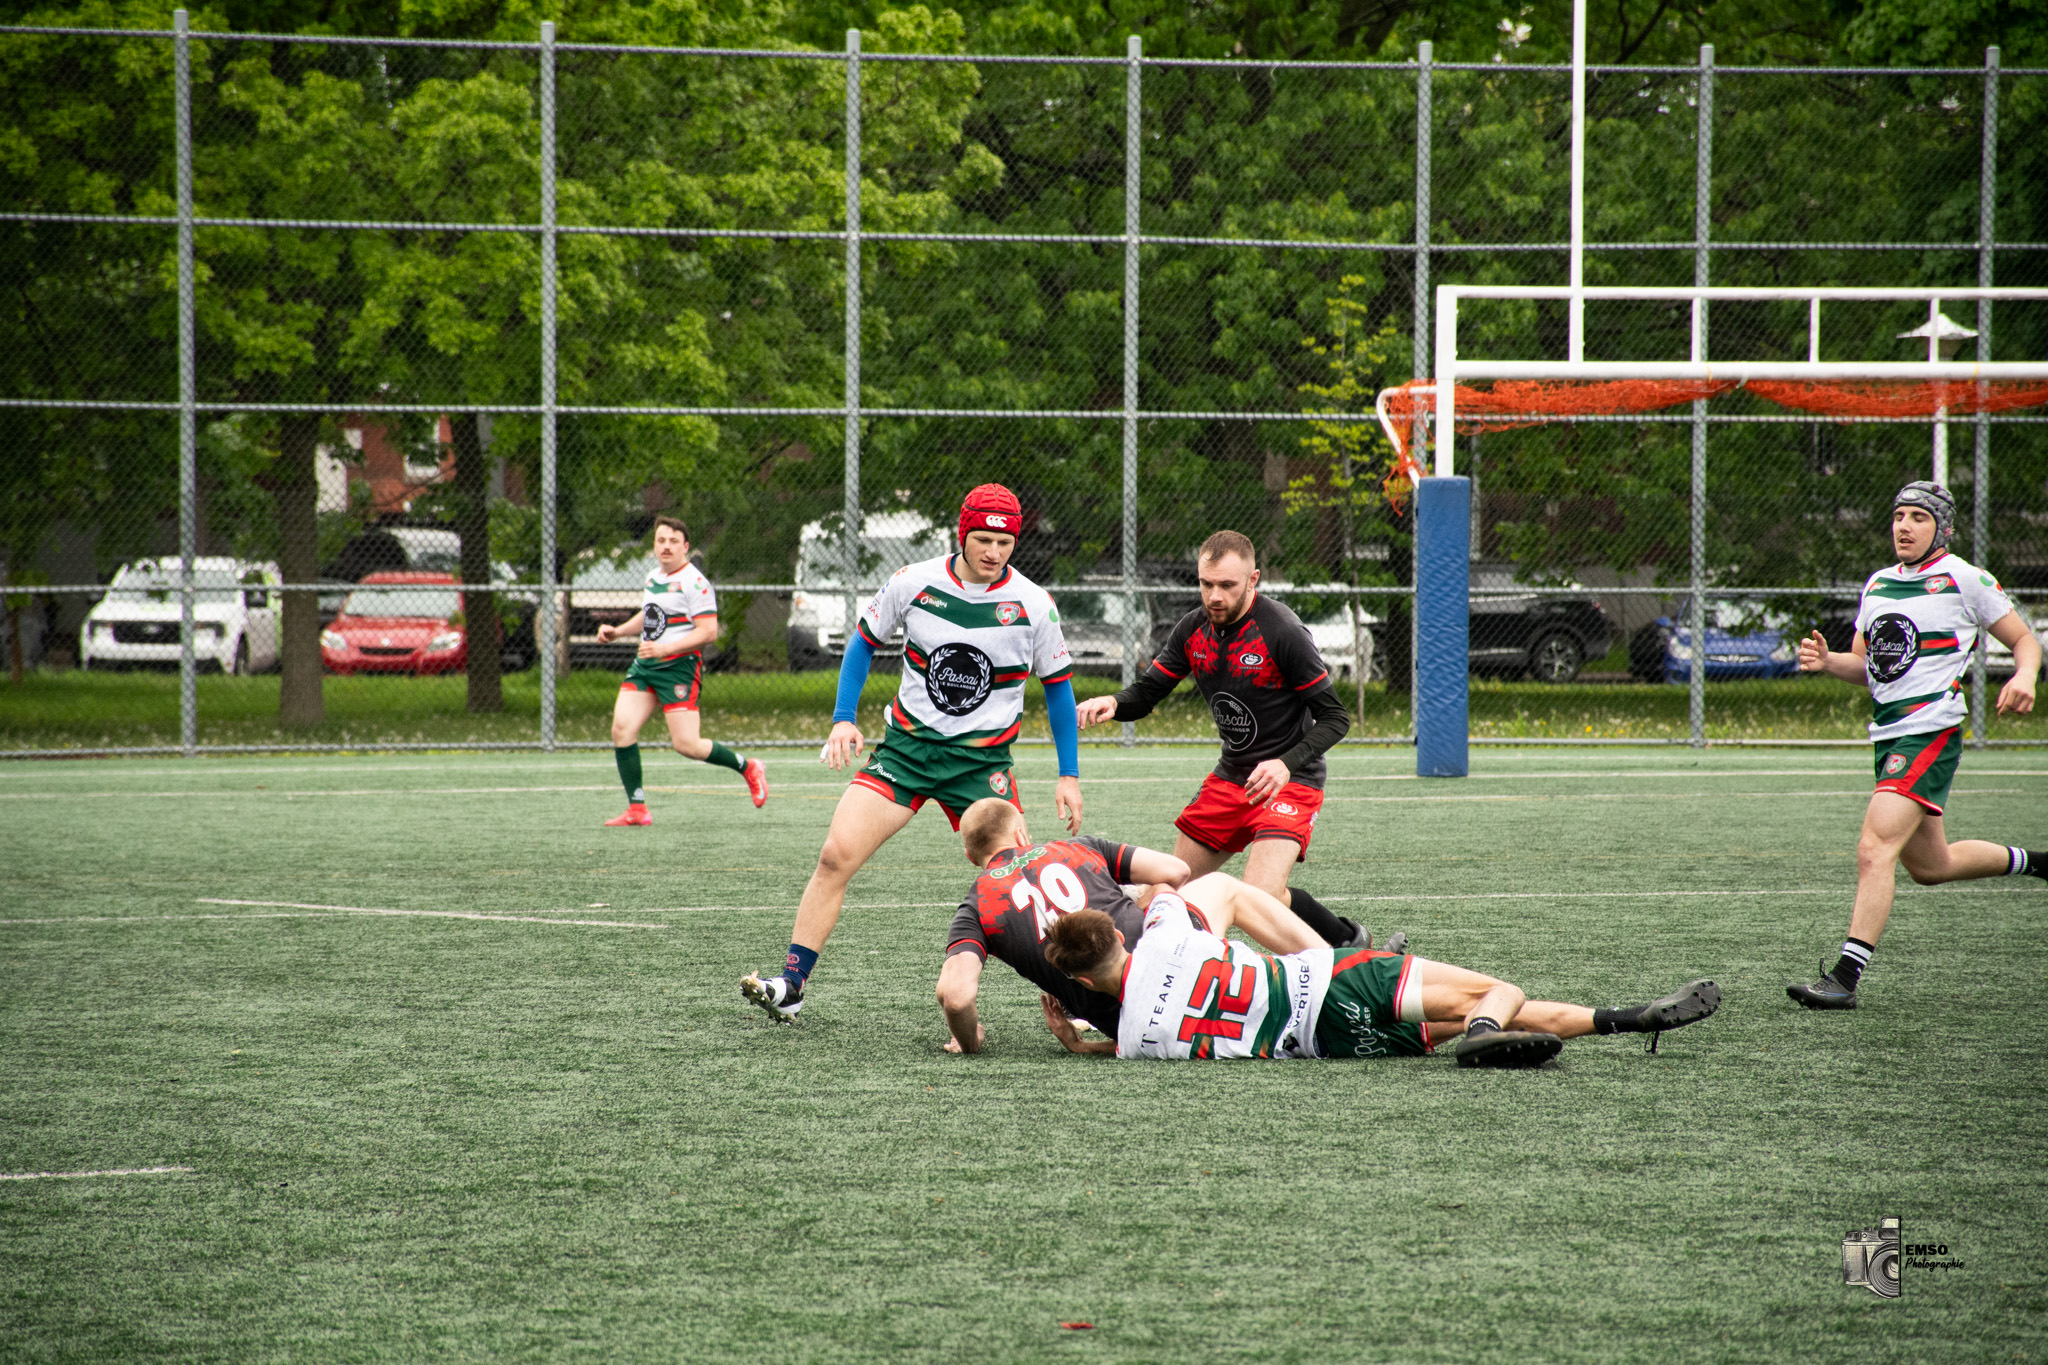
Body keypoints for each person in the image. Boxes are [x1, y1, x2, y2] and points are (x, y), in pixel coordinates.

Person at [741, 485, 1084, 1022]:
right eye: (983, 539)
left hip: (981, 766)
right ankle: (792, 986)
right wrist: (843, 719)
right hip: (905, 752)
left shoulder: (1034, 604)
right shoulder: (912, 582)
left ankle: (1081, 997)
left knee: (1023, 887)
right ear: (961, 534)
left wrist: (1069, 774)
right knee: (835, 855)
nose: (994, 552)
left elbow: (1059, 688)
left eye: (1004, 541)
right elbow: (862, 642)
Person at [1787, 482, 2045, 1010]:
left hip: (1929, 728)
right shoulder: (1879, 583)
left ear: (1942, 529)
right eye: (1899, 515)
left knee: (1873, 848)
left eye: (1918, 518)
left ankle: (1844, 978)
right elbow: (1869, 669)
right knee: (1932, 866)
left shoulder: (1964, 578)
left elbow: (2024, 639)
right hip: (1888, 732)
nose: (1904, 526)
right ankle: (2039, 862)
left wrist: (2026, 676)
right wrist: (1828, 661)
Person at [1075, 530, 1362, 945]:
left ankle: (1344, 943)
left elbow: (1336, 718)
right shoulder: (1193, 630)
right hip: (1231, 779)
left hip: (1290, 781)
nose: (1214, 596)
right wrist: (1115, 703)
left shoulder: (1282, 631)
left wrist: (1285, 764)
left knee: (1260, 898)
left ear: (1253, 579)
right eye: (1206, 584)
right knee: (1169, 887)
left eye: (1227, 585)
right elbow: (1147, 694)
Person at [936, 797, 1391, 1054]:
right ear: (1021, 835)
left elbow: (956, 994)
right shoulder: (1074, 848)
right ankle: (1343, 963)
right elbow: (1175, 871)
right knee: (1221, 886)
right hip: (1176, 958)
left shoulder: (978, 905)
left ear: (970, 856)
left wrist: (970, 1040)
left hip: (1132, 1020)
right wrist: (1135, 896)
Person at [1040, 895, 1721, 1067]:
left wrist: (1077, 1044)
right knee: (1496, 992)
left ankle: (1625, 1018)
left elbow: (1117, 1040)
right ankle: (1483, 1031)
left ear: (1083, 984)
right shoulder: (1162, 932)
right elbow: (1169, 883)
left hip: (1332, 1044)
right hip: (1329, 981)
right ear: (1121, 935)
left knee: (1485, 1014)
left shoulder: (1130, 1040)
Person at [598, 516, 768, 826]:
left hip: (678, 670)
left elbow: (709, 632)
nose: (666, 546)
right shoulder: (653, 578)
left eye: (673, 541)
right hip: (645, 667)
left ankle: (748, 767)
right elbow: (650, 616)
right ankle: (637, 809)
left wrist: (664, 649)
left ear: (685, 547)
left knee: (687, 745)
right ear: (654, 546)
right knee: (622, 729)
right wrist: (618, 631)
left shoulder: (695, 582)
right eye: (661, 540)